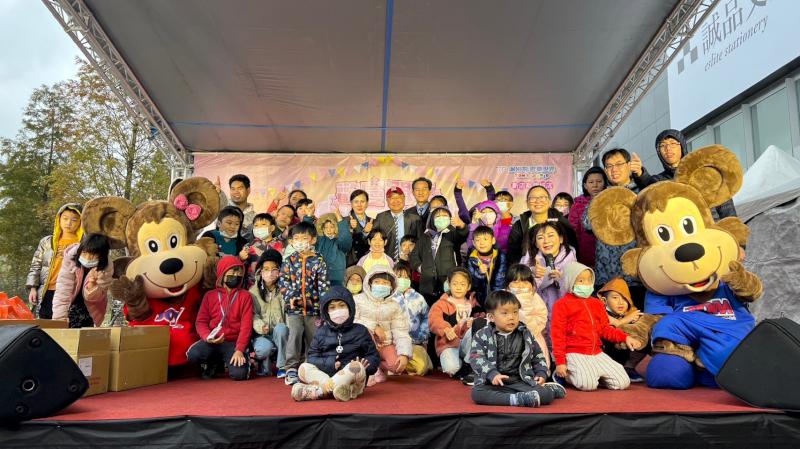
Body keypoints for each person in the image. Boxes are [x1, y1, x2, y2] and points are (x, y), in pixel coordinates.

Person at [551, 262, 642, 391]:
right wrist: (560, 362)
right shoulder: (561, 305)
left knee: (623, 382)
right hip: (574, 353)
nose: (586, 284)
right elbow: (557, 336)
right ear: (570, 282)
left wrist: (625, 338)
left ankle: (592, 375)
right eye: (581, 280)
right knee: (588, 385)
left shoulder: (596, 304)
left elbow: (604, 328)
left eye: (589, 280)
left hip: (596, 352)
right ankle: (566, 375)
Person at [469, 290, 566, 407]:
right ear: (491, 317)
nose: (511, 317)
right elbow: (476, 357)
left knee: (545, 396)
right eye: (505, 313)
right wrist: (491, 374)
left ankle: (548, 390)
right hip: (492, 382)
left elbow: (538, 355)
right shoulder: (481, 335)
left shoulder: (525, 334)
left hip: (520, 381)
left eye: (515, 312)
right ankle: (515, 399)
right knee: (477, 394)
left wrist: (541, 372)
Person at [291, 286, 380, 402]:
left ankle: (319, 391)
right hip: (326, 374)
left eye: (342, 306)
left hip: (352, 378)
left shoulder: (361, 331)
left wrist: (366, 366)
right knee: (303, 368)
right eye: (332, 307)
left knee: (356, 367)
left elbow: (373, 356)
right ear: (326, 312)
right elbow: (312, 357)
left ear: (350, 307)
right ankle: (337, 390)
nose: (337, 310)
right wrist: (330, 363)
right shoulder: (321, 332)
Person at [582, 148, 646, 308]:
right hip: (606, 273)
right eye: (609, 166)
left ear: (629, 165)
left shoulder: (642, 192)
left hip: (636, 273)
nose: (614, 169)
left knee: (638, 316)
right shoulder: (602, 196)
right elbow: (586, 223)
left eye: (618, 164)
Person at [278, 221, 330, 385]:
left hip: (314, 309)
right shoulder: (289, 261)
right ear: (291, 241)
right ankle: (291, 369)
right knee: (294, 336)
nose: (300, 242)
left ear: (313, 240)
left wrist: (323, 306)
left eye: (304, 238)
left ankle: (311, 368)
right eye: (296, 238)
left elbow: (323, 285)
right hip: (294, 309)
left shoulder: (319, 261)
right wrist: (291, 299)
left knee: (313, 338)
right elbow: (283, 283)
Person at [645, 129, 738, 220]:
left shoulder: (703, 172)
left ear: (682, 146)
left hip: (712, 226)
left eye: (673, 143)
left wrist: (732, 225)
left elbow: (725, 205)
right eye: (662, 145)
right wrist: (640, 174)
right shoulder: (658, 181)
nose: (668, 148)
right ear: (658, 151)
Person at [188, 255, 254, 381]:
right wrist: (208, 337)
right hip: (213, 340)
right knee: (193, 355)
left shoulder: (245, 296)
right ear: (222, 273)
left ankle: (241, 358)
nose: (236, 275)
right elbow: (201, 322)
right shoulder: (209, 296)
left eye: (239, 272)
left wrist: (239, 350)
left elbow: (246, 326)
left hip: (233, 342)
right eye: (232, 272)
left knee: (239, 374)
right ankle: (214, 363)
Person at [353, 267, 413, 385]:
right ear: (370, 283)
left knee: (397, 366)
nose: (381, 285)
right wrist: (373, 327)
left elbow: (400, 330)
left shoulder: (394, 306)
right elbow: (352, 322)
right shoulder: (357, 300)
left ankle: (379, 366)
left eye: (385, 283)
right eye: (377, 282)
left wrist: (404, 354)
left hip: (385, 344)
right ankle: (369, 369)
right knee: (365, 333)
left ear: (391, 286)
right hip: (364, 345)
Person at [27, 203, 84, 318]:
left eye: (74, 220)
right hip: (48, 290)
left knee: (68, 324)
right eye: (65, 218)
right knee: (46, 324)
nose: (68, 223)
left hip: (71, 292)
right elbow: (36, 265)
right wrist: (33, 288)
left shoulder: (83, 244)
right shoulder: (47, 242)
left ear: (80, 222)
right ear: (59, 219)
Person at [598, 278, 660, 383]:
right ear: (604, 300)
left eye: (624, 298)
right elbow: (605, 328)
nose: (621, 302)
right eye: (615, 298)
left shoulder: (631, 312)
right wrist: (623, 321)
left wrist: (637, 323)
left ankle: (628, 367)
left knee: (643, 333)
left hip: (623, 356)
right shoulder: (599, 311)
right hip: (603, 356)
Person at [52, 233, 112, 328]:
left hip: (91, 310)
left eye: (93, 255)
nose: (87, 258)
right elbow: (63, 290)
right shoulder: (70, 259)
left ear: (102, 256)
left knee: (85, 334)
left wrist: (92, 284)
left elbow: (96, 298)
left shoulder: (106, 268)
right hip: (70, 304)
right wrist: (60, 318)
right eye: (84, 252)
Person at [410, 207, 468, 304]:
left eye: (445, 215)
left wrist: (462, 226)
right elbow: (414, 256)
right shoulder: (425, 236)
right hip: (427, 284)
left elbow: (462, 235)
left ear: (449, 218)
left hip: (447, 281)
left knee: (448, 308)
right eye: (438, 216)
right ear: (432, 219)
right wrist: (420, 268)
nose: (441, 218)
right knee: (428, 310)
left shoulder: (453, 233)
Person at [507, 186, 578, 265]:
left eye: (542, 197)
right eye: (533, 198)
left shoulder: (562, 223)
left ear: (549, 202)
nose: (538, 201)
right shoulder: (519, 225)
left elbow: (573, 248)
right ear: (527, 203)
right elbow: (512, 255)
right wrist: (527, 269)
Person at [428, 268, 474, 379]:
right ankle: (462, 366)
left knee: (476, 329)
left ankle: (468, 363)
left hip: (466, 344)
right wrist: (446, 329)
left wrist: (474, 322)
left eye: (462, 284)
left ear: (468, 287)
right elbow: (433, 320)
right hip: (449, 343)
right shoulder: (441, 303)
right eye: (455, 284)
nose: (458, 287)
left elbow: (483, 318)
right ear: (449, 284)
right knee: (451, 368)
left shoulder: (473, 303)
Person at [521, 222, 576, 314]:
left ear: (561, 239)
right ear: (536, 244)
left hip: (563, 314)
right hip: (536, 315)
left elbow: (578, 295)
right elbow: (519, 291)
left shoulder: (572, 263)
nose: (546, 241)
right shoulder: (528, 261)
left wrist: (561, 280)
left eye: (550, 236)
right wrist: (530, 273)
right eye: (540, 238)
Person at [250, 249, 289, 378]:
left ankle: (282, 366)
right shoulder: (253, 292)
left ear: (279, 271)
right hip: (263, 334)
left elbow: (288, 313)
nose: (270, 273)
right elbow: (253, 314)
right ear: (260, 271)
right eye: (266, 269)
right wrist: (260, 326)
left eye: (274, 269)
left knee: (281, 329)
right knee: (263, 349)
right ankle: (264, 363)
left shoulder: (285, 289)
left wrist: (290, 331)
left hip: (281, 333)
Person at [505, 263, 550, 370]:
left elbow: (542, 317)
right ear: (508, 285)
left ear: (532, 284)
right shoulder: (503, 297)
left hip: (533, 337)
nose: (520, 286)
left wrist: (531, 328)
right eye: (515, 282)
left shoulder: (535, 298)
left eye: (525, 282)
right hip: (508, 339)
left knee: (535, 367)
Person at [390, 261, 432, 376]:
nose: (403, 280)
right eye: (399, 277)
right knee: (392, 363)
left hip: (415, 343)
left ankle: (414, 362)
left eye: (406, 277)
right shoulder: (389, 298)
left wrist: (422, 334)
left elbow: (427, 316)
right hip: (395, 344)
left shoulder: (418, 297)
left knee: (421, 368)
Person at [569, 167, 609, 267]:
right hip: (585, 257)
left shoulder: (611, 201)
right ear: (585, 185)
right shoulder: (577, 205)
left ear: (605, 183)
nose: (595, 185)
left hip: (609, 255)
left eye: (599, 181)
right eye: (591, 182)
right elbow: (572, 233)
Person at [466, 226, 507, 313]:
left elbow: (500, 279)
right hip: (480, 299)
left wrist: (496, 299)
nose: (481, 243)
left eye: (485, 239)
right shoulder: (472, 259)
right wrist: (480, 273)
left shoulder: (500, 256)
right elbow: (473, 281)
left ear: (493, 240)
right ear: (473, 243)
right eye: (478, 240)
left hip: (497, 298)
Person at [373, 187, 422, 261]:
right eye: (392, 198)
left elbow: (420, 242)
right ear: (387, 201)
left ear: (404, 198)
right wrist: (366, 232)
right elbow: (373, 238)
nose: (395, 201)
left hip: (409, 261)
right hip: (386, 260)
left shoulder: (415, 218)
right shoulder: (380, 217)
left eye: (398, 197)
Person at [243, 213, 285, 288]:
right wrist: (241, 258)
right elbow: (243, 265)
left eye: (263, 224)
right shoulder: (249, 246)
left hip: (275, 286)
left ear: (272, 228)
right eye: (256, 225)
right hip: (253, 286)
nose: (259, 228)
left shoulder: (280, 245)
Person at [315, 209, 353, 286]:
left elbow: (345, 238)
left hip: (337, 278)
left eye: (332, 227)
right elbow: (307, 235)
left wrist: (340, 220)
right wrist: (308, 217)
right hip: (320, 276)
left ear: (336, 227)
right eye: (326, 227)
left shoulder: (340, 242)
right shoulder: (319, 240)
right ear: (322, 229)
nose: (328, 230)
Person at [215, 174, 256, 241]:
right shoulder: (222, 209)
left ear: (248, 190)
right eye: (233, 189)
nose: (236, 192)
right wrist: (216, 194)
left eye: (240, 188)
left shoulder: (255, 218)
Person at [346, 189, 374, 266]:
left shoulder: (373, 222)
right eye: (356, 202)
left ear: (367, 203)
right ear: (351, 203)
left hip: (368, 263)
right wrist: (350, 229)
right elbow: (344, 244)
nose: (359, 205)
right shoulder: (344, 221)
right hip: (350, 263)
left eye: (362, 201)